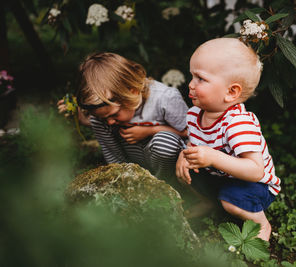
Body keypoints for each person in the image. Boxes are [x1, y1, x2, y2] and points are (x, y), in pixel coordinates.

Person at [175, 38, 281, 241]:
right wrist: (185, 154)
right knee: (187, 171)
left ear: (231, 92)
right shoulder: (195, 114)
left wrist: (213, 157)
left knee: (231, 200)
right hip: (222, 176)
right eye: (192, 76)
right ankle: (208, 202)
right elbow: (195, 142)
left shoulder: (238, 124)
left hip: (255, 185)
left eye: (200, 79)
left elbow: (255, 170)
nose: (190, 84)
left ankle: (261, 225)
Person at [58, 52, 188, 178]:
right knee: (97, 122)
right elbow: (95, 120)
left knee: (165, 142)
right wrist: (77, 115)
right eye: (104, 117)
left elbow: (191, 132)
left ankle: (167, 185)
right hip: (135, 163)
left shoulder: (164, 98)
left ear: (133, 92)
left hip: (166, 163)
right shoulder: (105, 114)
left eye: (114, 115)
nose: (110, 122)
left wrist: (150, 130)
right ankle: (124, 177)